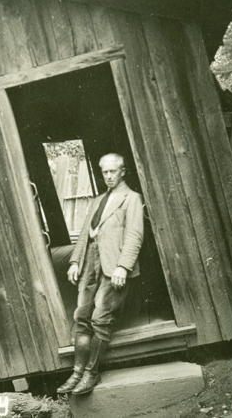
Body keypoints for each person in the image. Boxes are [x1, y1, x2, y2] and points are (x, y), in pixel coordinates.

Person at [57, 153, 144, 395]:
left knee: (100, 319)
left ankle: (91, 373)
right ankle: (76, 373)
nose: (108, 176)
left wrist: (123, 266)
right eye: (104, 172)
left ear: (123, 171)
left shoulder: (132, 199)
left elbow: (135, 235)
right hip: (90, 264)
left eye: (112, 171)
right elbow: (85, 234)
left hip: (113, 266)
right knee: (82, 317)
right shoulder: (97, 201)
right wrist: (75, 262)